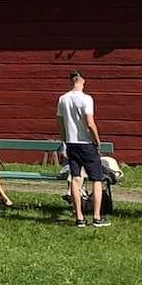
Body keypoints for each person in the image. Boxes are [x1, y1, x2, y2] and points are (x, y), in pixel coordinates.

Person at [56, 70, 107, 229]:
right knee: (97, 179)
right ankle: (97, 217)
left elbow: (60, 122)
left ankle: (79, 217)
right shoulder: (86, 99)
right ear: (81, 80)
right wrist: (97, 141)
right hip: (86, 143)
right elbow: (90, 123)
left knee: (76, 178)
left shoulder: (63, 99)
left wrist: (64, 139)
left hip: (71, 142)